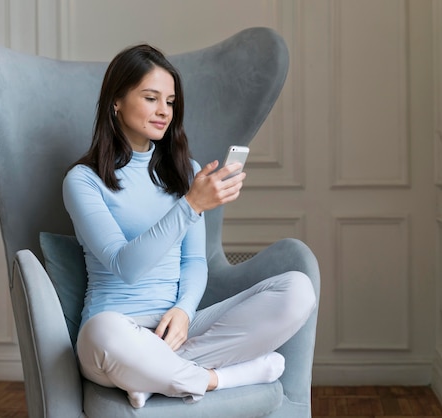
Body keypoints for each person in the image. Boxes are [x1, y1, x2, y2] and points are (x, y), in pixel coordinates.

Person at [62, 43, 316, 408]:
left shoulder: (186, 173)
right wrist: (192, 205)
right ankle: (219, 378)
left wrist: (183, 312)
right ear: (115, 101)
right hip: (116, 327)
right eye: (151, 98)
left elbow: (194, 261)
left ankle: (155, 376)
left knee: (297, 290)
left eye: (170, 102)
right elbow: (125, 265)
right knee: (102, 333)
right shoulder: (83, 180)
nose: (163, 111)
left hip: (178, 329)